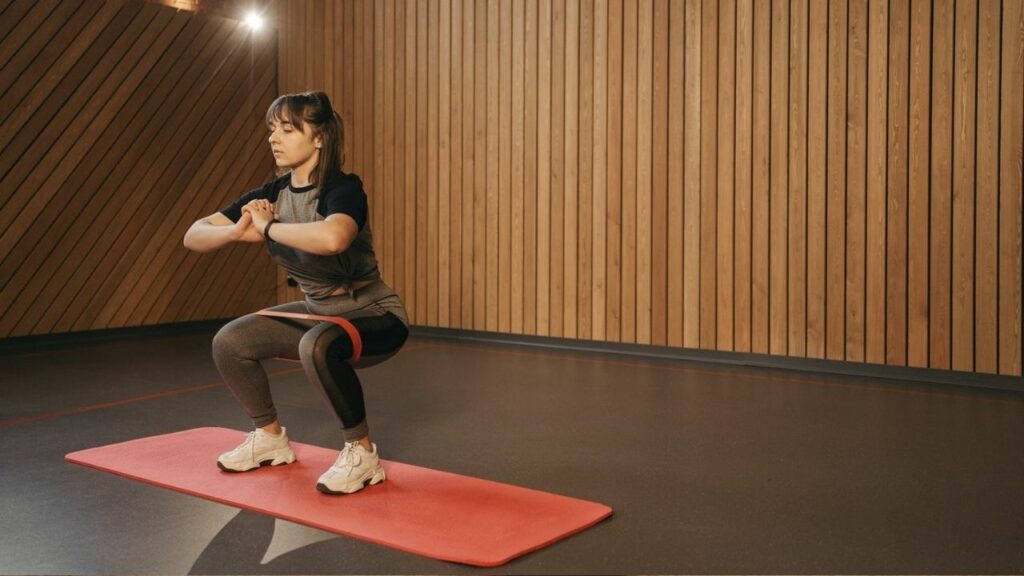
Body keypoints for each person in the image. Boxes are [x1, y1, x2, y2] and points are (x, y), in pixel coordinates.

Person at [183, 91, 408, 495]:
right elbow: (193, 235)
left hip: (373, 312)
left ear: (319, 137)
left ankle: (363, 453)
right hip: (319, 309)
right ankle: (269, 438)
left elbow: (334, 237)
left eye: (287, 129)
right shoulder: (272, 193)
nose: (274, 138)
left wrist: (266, 228)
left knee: (316, 345)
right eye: (272, 130)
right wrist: (234, 231)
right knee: (231, 340)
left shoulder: (343, 187)